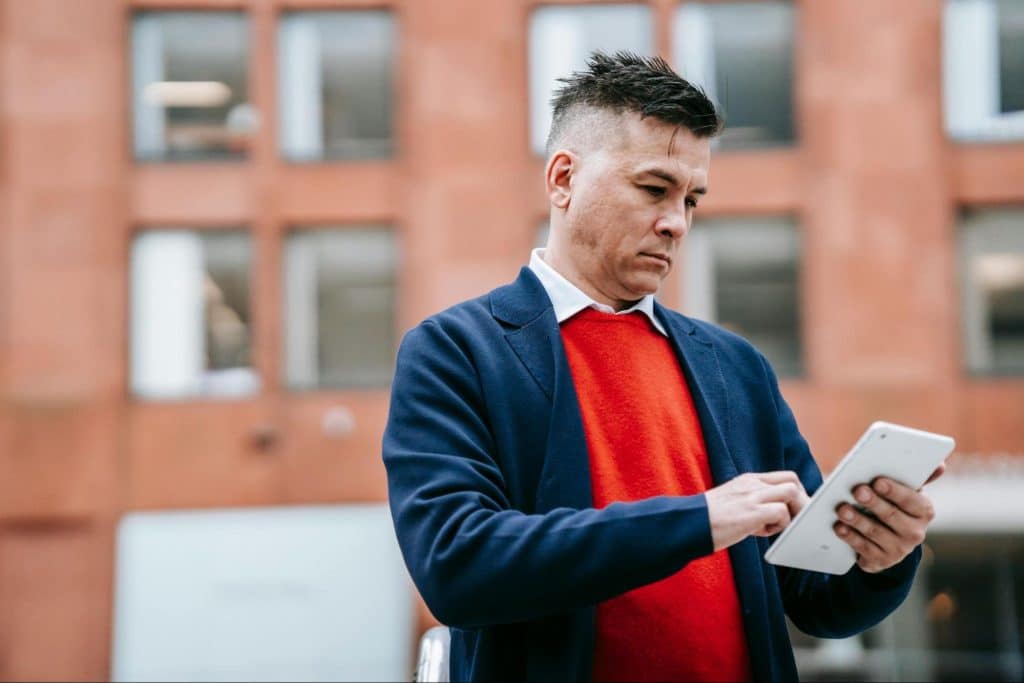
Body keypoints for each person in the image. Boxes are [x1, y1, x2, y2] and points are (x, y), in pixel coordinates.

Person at [382, 51, 943, 682]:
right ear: (562, 179)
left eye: (692, 200)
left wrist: (881, 559)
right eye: (654, 189)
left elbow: (816, 602)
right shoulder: (456, 350)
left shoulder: (737, 368)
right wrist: (699, 520)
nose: (676, 223)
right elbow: (458, 568)